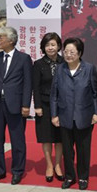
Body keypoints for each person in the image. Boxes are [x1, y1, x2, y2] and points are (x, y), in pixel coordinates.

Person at [0, 26, 33, 185]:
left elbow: (28, 84)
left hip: (16, 105)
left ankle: (17, 171)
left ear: (11, 40)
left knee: (17, 140)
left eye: (1, 37)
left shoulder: (24, 58)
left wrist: (26, 105)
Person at [50, 37, 97, 190]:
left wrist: (96, 113)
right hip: (64, 116)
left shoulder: (89, 68)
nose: (68, 54)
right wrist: (54, 115)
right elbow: (54, 95)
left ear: (79, 53)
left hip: (84, 115)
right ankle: (70, 176)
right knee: (67, 149)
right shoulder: (60, 69)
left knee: (83, 149)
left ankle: (83, 177)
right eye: (66, 51)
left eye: (72, 52)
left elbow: (94, 93)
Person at [33, 32, 65, 182]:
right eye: (47, 45)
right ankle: (49, 165)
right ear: (43, 47)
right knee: (46, 137)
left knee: (60, 138)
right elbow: (36, 87)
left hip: (61, 106)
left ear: (59, 46)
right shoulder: (38, 64)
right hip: (44, 106)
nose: (50, 48)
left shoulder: (64, 62)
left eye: (53, 44)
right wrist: (37, 106)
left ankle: (58, 164)